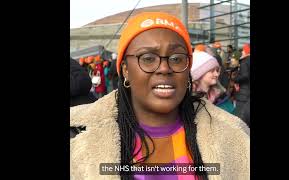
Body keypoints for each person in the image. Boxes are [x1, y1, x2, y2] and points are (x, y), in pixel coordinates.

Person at [70, 12, 249, 180]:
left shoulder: (234, 137)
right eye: (148, 58)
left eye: (177, 58)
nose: (164, 68)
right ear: (125, 70)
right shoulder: (76, 138)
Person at [234, 43, 250, 127]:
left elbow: (245, 75)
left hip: (244, 93)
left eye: (243, 50)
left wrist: (235, 79)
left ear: (247, 51)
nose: (242, 52)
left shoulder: (245, 61)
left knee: (239, 119)